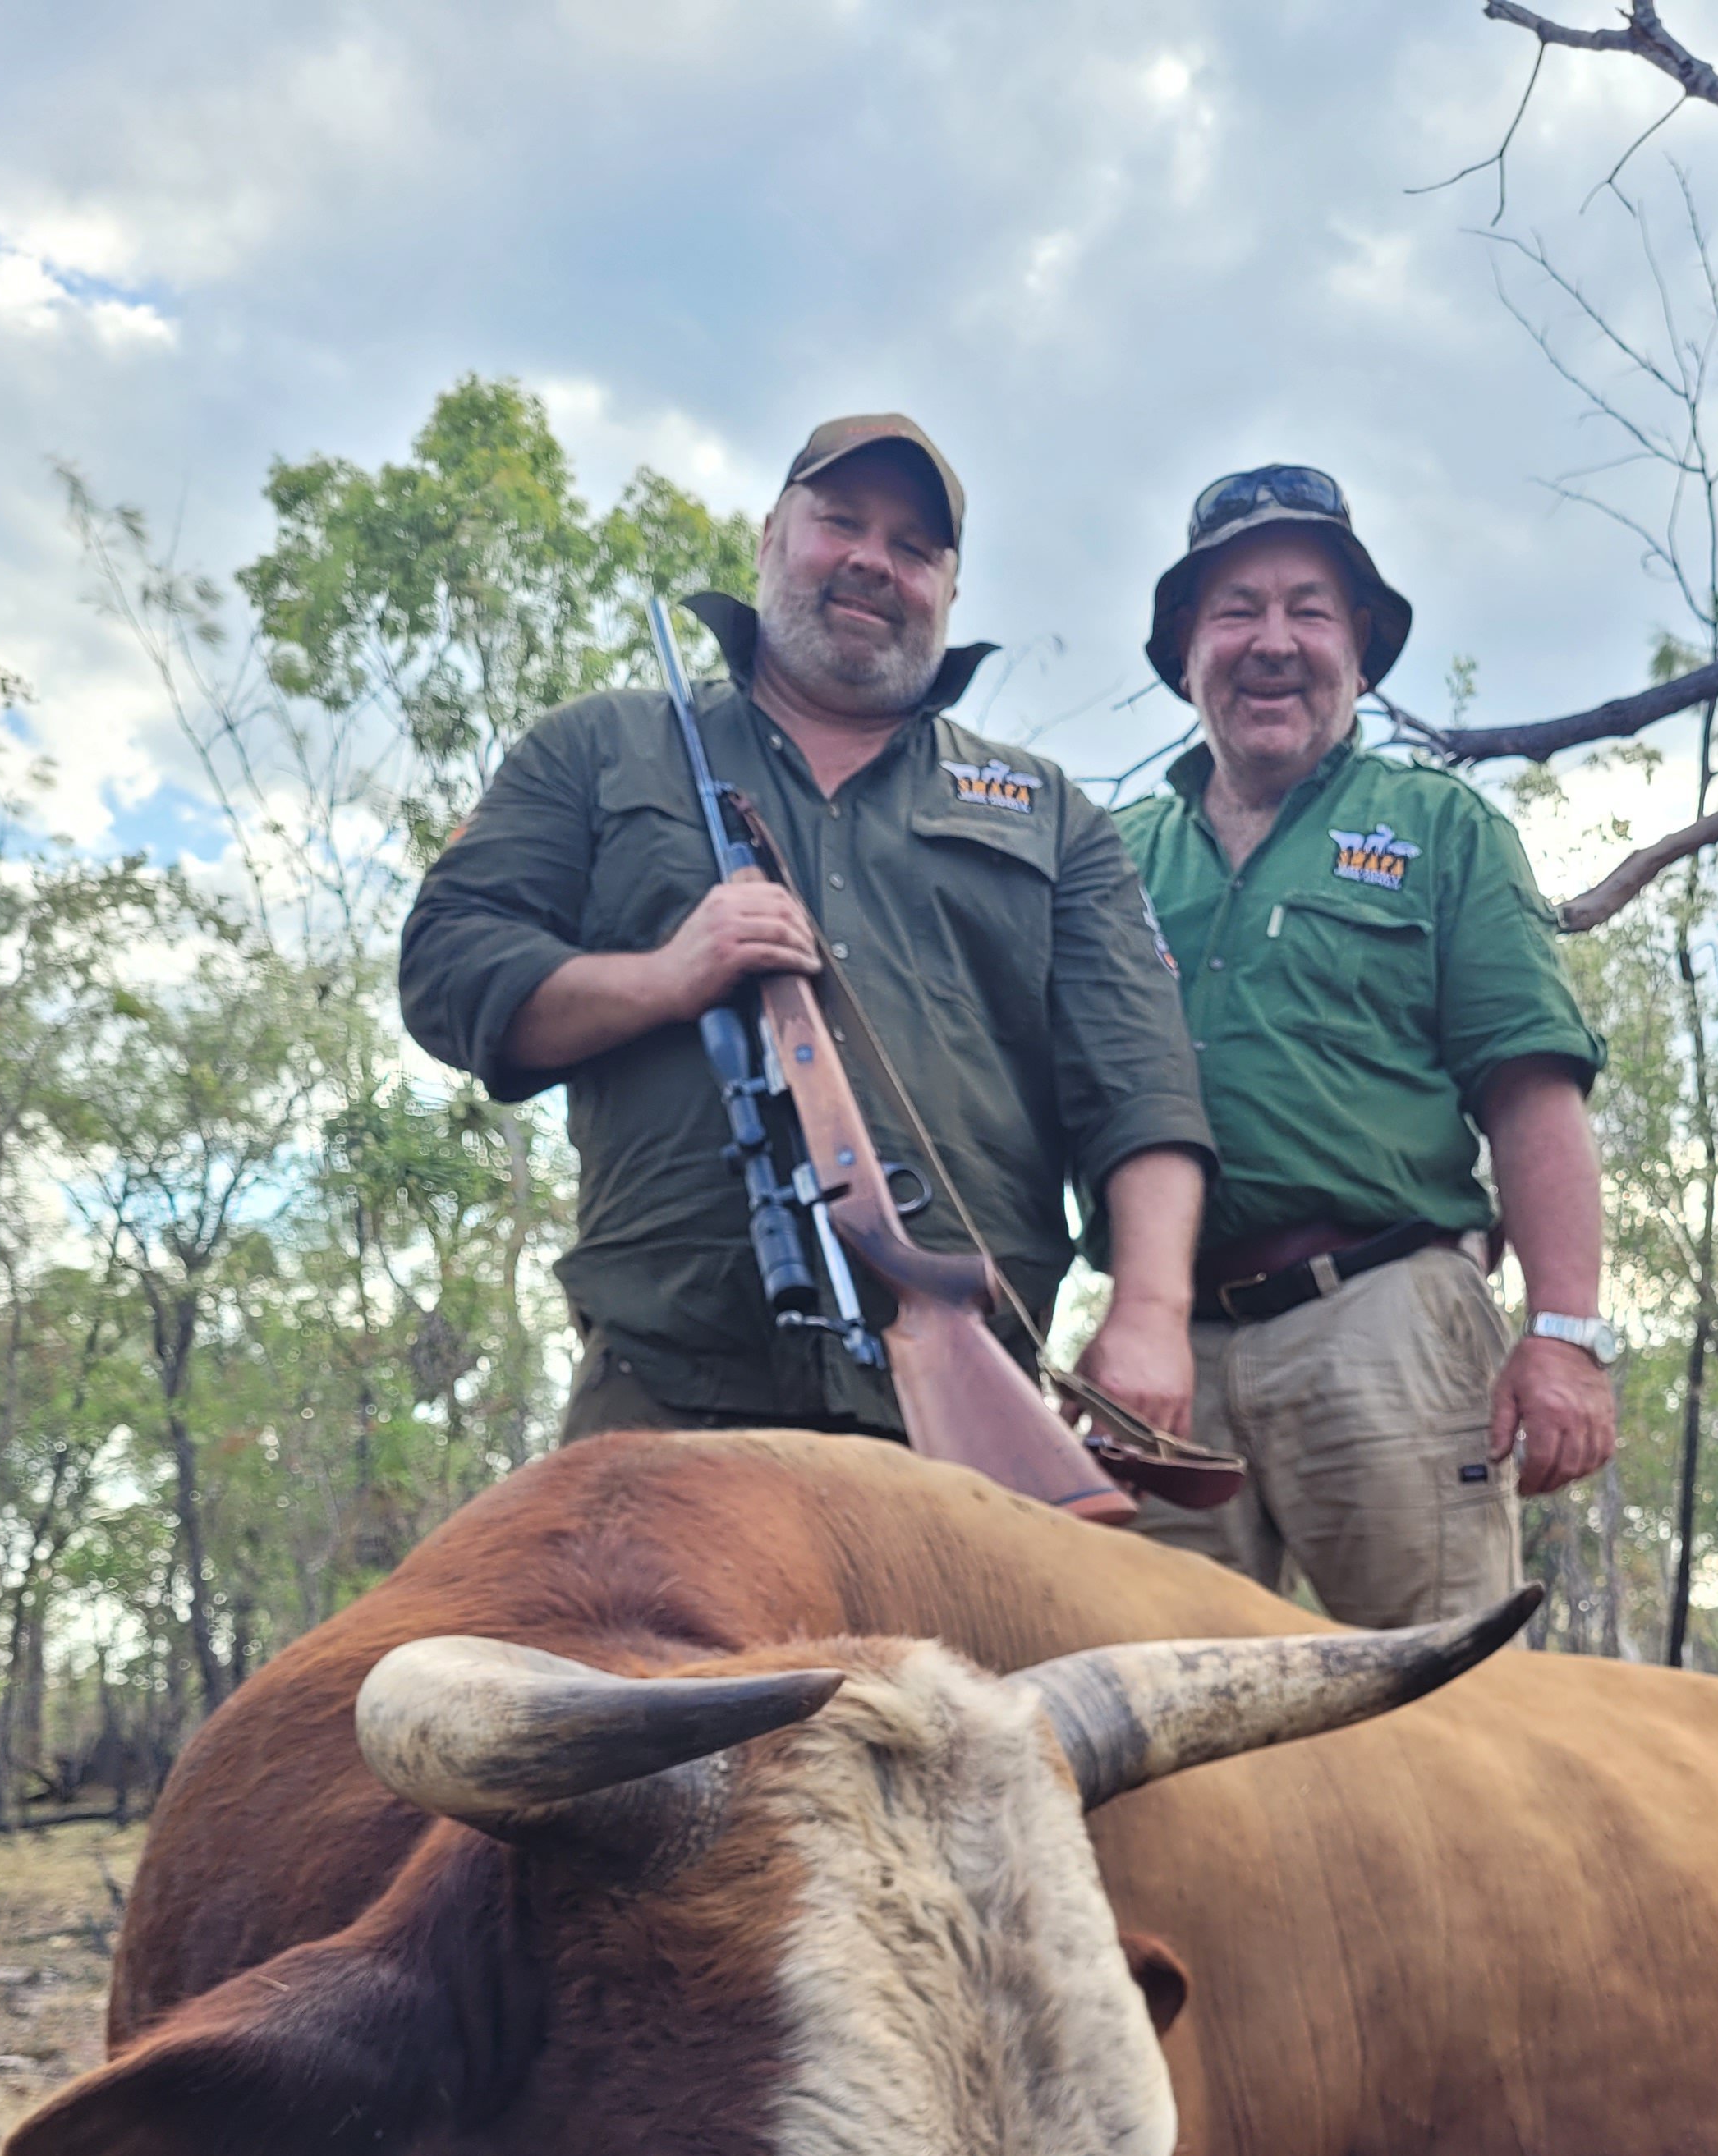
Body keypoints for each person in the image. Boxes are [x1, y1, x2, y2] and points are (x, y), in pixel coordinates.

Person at [401, 413, 1211, 1447]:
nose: (874, 561)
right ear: (770, 538)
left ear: (949, 591)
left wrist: (1148, 1315)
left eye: (915, 548)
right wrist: (669, 976)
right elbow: (447, 965)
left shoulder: (1050, 811)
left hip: (966, 1406)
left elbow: (1142, 1079)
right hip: (662, 1383)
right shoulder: (598, 748)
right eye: (840, 522)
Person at [1114, 465, 1618, 1626]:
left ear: (1360, 649)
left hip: (1385, 1317)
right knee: (1156, 1730)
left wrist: (1566, 1338)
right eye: (1236, 609)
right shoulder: (1110, 857)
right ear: (1186, 649)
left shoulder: (1440, 827)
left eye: (1311, 610)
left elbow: (1531, 1088)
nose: (1274, 642)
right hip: (1160, 1350)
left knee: (1437, 1723)